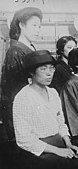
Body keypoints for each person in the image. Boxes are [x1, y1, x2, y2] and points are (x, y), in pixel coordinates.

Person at [13, 50, 78, 169]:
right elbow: (24, 140)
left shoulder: (53, 93)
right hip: (38, 150)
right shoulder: (23, 97)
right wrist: (59, 151)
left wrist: (68, 144)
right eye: (43, 69)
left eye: (52, 68)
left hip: (59, 142)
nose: (49, 73)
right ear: (31, 72)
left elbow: (60, 123)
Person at [1, 7, 42, 141]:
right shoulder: (15, 51)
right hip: (20, 112)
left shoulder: (28, 49)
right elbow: (14, 91)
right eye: (34, 25)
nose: (38, 30)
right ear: (21, 25)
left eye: (39, 26)